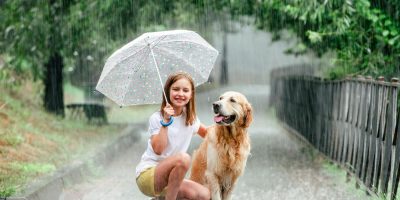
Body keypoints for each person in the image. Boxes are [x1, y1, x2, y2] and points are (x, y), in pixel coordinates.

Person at [135, 71, 210, 200]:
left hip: (171, 179)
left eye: (185, 90)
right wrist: (165, 121)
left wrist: (228, 126)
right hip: (149, 176)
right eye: (176, 89)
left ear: (191, 94)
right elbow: (158, 150)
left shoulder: (190, 118)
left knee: (204, 195)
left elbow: (208, 134)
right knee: (183, 159)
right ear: (168, 91)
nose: (180, 94)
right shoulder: (156, 118)